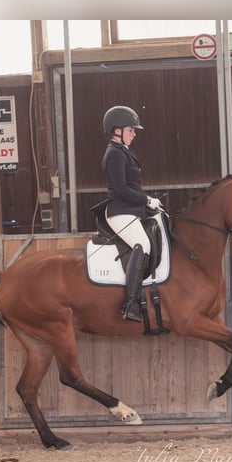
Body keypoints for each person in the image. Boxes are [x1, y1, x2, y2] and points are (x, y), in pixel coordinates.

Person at [101, 105, 162, 322]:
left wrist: (149, 205)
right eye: (131, 130)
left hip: (132, 209)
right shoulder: (114, 154)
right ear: (117, 130)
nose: (134, 134)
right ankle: (130, 303)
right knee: (143, 245)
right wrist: (146, 200)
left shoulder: (124, 152)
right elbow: (121, 189)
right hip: (120, 212)